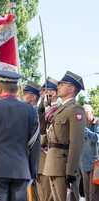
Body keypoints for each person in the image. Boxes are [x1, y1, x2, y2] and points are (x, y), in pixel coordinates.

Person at [0, 70, 41, 201]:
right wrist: (33, 172)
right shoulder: (31, 111)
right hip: (22, 171)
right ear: (17, 89)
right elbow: (35, 143)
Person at [43, 71, 86, 201]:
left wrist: (71, 170)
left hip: (64, 165)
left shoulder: (75, 109)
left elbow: (76, 142)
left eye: (62, 84)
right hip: (54, 163)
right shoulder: (61, 109)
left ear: (71, 88)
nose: (58, 86)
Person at [35, 77, 59, 201]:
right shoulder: (43, 110)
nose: (40, 94)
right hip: (40, 160)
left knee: (48, 197)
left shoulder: (58, 110)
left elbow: (48, 134)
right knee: (41, 196)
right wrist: (41, 109)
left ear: (52, 93)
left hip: (49, 158)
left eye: (43, 92)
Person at [81, 104, 99, 201]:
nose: (84, 116)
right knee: (87, 195)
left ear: (92, 113)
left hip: (95, 164)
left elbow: (96, 138)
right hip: (84, 164)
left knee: (94, 195)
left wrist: (85, 130)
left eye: (86, 113)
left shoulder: (97, 123)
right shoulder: (83, 125)